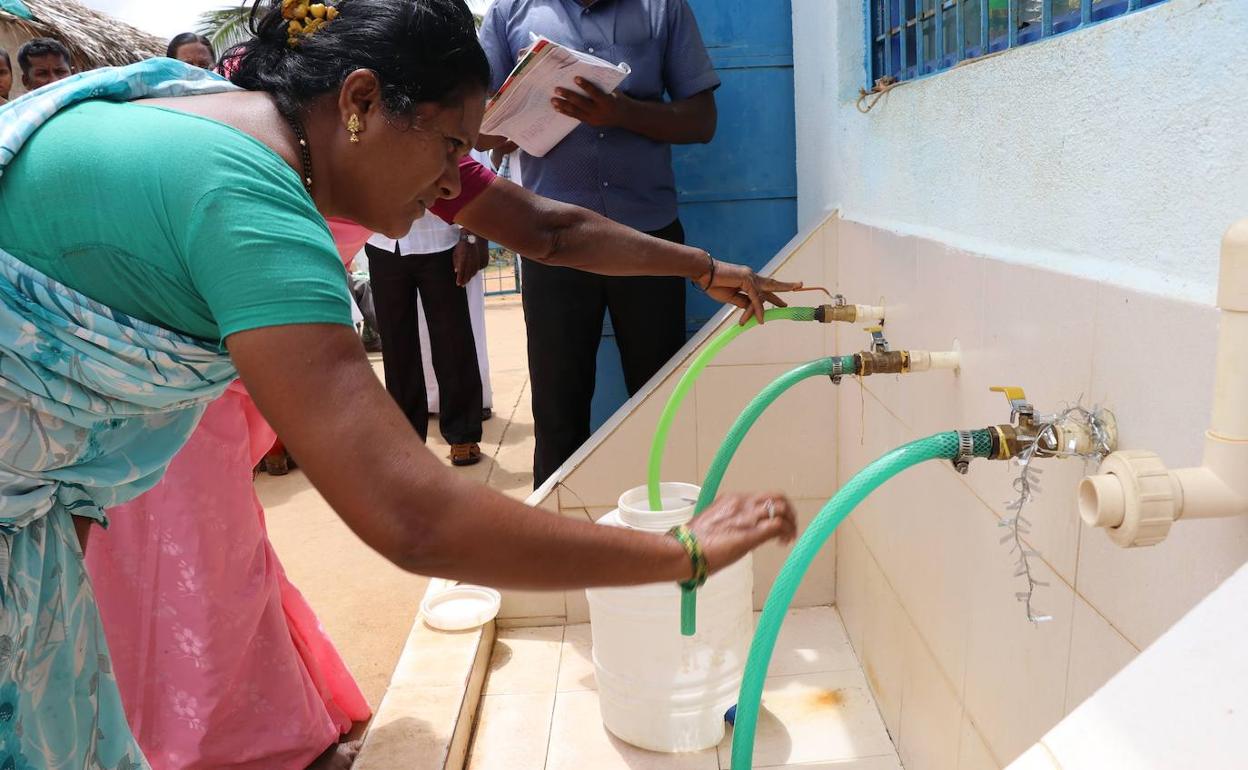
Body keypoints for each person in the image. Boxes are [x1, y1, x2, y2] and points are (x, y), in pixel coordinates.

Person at [0, 2, 799, 768]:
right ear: (361, 100)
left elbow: (547, 228)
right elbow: (412, 517)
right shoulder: (250, 204)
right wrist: (681, 555)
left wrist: (701, 268)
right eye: (453, 144)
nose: (455, 180)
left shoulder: (269, 134)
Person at [479, 0, 722, 487]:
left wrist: (620, 112)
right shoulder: (510, 12)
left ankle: (666, 533)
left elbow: (701, 121)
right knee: (557, 409)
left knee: (659, 401)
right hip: (552, 244)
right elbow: (480, 129)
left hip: (647, 240)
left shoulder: (662, 9)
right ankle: (556, 543)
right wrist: (518, 116)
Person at [366, 199, 491, 466]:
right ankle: (406, 437)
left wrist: (469, 235)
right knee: (396, 346)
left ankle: (463, 434)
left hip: (438, 240)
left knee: (452, 340)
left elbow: (463, 174)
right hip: (383, 242)